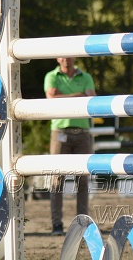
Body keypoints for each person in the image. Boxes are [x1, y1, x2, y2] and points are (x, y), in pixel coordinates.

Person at [44, 57, 96, 236]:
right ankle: (57, 224)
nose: (66, 59)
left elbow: (91, 98)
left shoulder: (86, 76)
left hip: (82, 132)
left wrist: (62, 96)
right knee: (57, 180)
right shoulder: (51, 76)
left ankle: (83, 223)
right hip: (60, 131)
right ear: (58, 58)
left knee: (82, 181)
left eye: (69, 55)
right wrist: (78, 96)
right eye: (62, 56)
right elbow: (51, 99)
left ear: (74, 57)